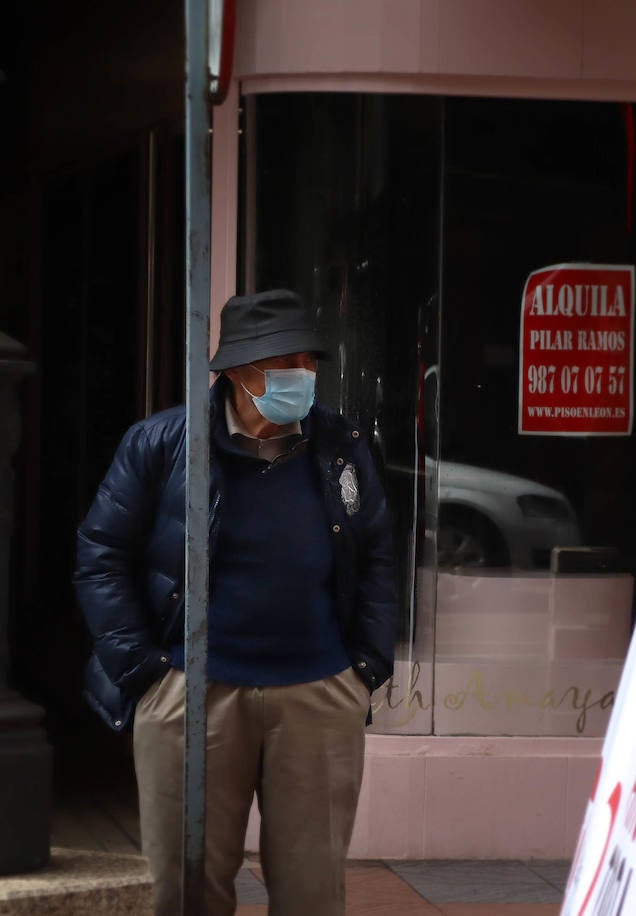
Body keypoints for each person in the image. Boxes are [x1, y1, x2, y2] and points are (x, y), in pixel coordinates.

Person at [74, 289, 397, 913]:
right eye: (284, 363)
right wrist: (144, 672)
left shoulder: (339, 444)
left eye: (309, 363)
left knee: (312, 892)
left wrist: (365, 668)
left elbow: (376, 553)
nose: (301, 378)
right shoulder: (163, 443)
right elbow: (100, 556)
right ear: (237, 373)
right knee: (184, 887)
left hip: (318, 692)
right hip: (190, 688)